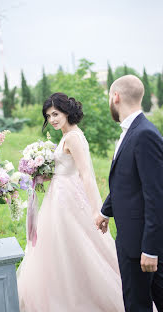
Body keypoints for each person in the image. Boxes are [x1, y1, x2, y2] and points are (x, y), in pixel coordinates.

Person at [17, 92, 124, 311]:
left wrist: (97, 210)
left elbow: (86, 174)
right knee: (60, 249)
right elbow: (65, 168)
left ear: (67, 111)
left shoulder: (73, 137)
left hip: (68, 201)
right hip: (58, 197)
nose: (52, 119)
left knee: (78, 247)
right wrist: (43, 172)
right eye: (48, 116)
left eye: (55, 113)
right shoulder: (66, 136)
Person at [96, 75, 163, 312]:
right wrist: (106, 211)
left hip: (143, 246)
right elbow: (126, 181)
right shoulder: (130, 131)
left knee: (137, 306)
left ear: (115, 97)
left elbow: (156, 196)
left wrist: (150, 250)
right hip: (129, 240)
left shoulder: (144, 134)